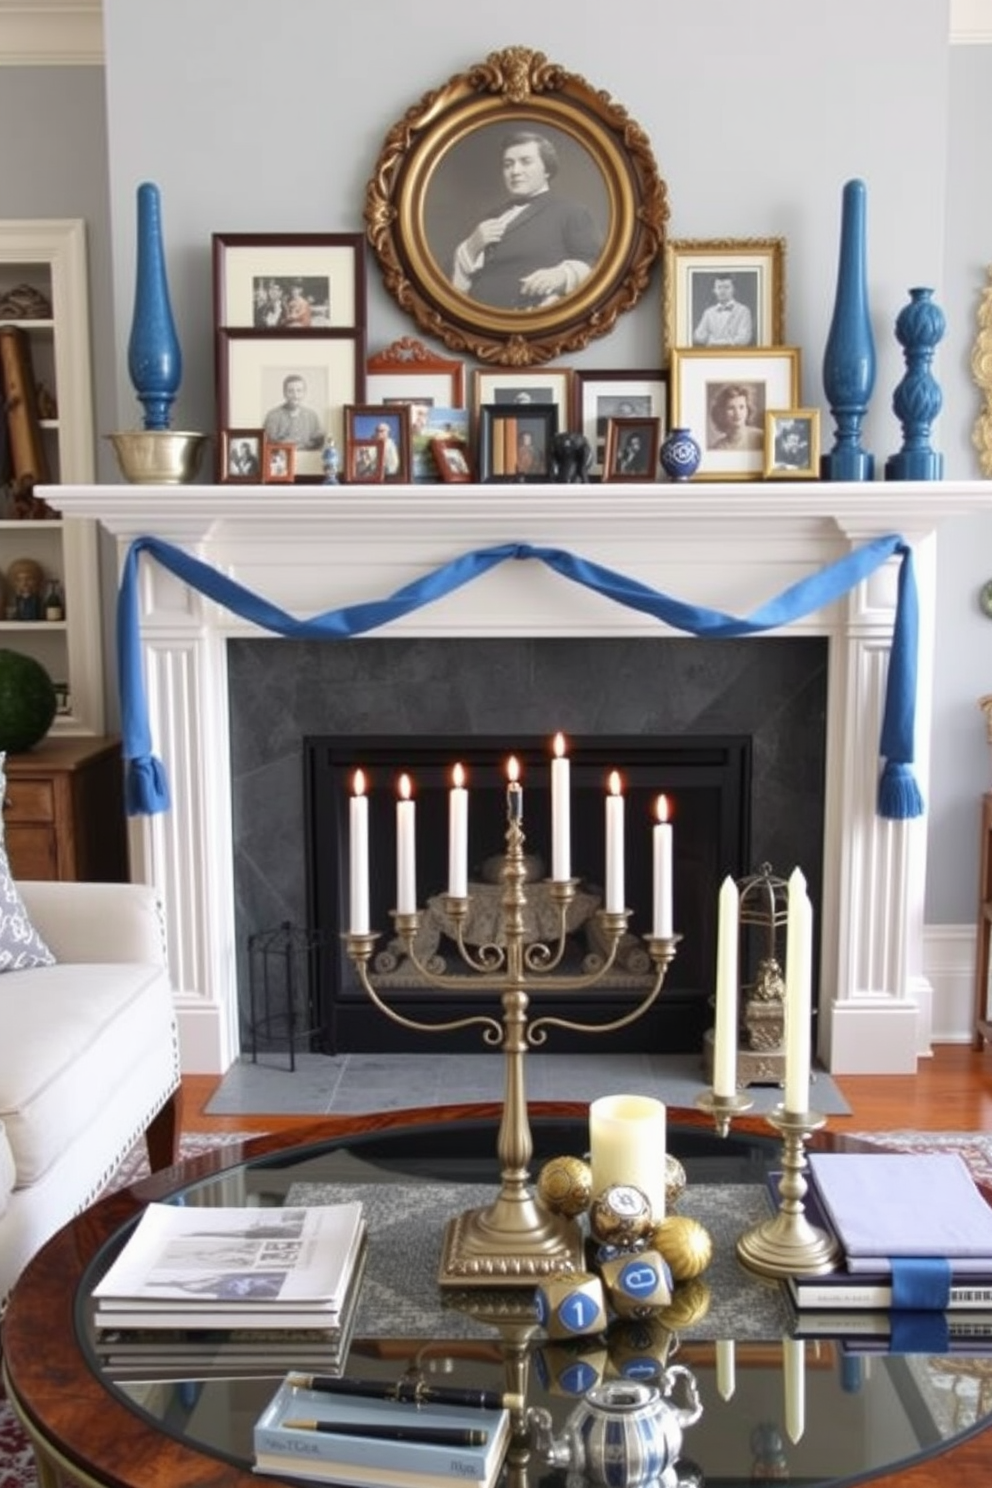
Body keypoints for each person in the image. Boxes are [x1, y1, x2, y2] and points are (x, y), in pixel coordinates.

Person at [451, 130, 605, 310]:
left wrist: (562, 275)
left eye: (526, 162)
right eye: (508, 164)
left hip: (531, 321)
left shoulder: (571, 212)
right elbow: (454, 286)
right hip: (477, 319)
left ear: (546, 169)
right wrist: (470, 247)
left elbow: (598, 265)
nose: (515, 171)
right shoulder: (491, 216)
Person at [263, 373, 325, 449]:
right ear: (284, 393)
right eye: (290, 391)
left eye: (299, 391)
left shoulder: (312, 416)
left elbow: (318, 442)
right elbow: (268, 444)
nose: (295, 395)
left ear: (304, 393)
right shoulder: (273, 416)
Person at [693, 276, 754, 347]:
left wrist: (713, 342)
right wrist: (730, 341)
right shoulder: (708, 312)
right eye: (719, 287)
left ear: (733, 289)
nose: (722, 291)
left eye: (726, 287)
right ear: (714, 290)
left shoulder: (743, 311)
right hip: (711, 355)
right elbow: (698, 336)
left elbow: (744, 338)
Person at [709, 384, 764, 451]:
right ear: (722, 413)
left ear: (748, 410)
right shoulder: (717, 448)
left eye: (741, 407)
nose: (737, 413)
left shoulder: (761, 437)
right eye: (731, 408)